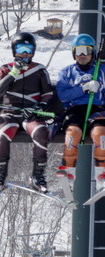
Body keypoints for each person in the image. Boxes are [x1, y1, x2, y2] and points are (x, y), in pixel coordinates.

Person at [0, 32, 61, 194]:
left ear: (34, 51)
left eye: (29, 50)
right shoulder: (5, 69)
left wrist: (40, 107)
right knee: (3, 132)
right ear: (14, 50)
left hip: (31, 113)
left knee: (41, 131)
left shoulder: (39, 69)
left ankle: (37, 175)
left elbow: (47, 93)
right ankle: (0, 175)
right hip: (10, 112)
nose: (25, 54)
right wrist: (13, 73)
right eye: (21, 49)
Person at [56, 34, 105, 182]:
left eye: (86, 51)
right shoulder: (66, 72)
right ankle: (68, 170)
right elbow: (63, 95)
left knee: (100, 133)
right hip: (74, 110)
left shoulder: (101, 71)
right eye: (78, 51)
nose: (82, 55)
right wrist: (84, 88)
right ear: (73, 53)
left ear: (93, 52)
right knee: (73, 133)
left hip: (96, 109)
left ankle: (102, 172)